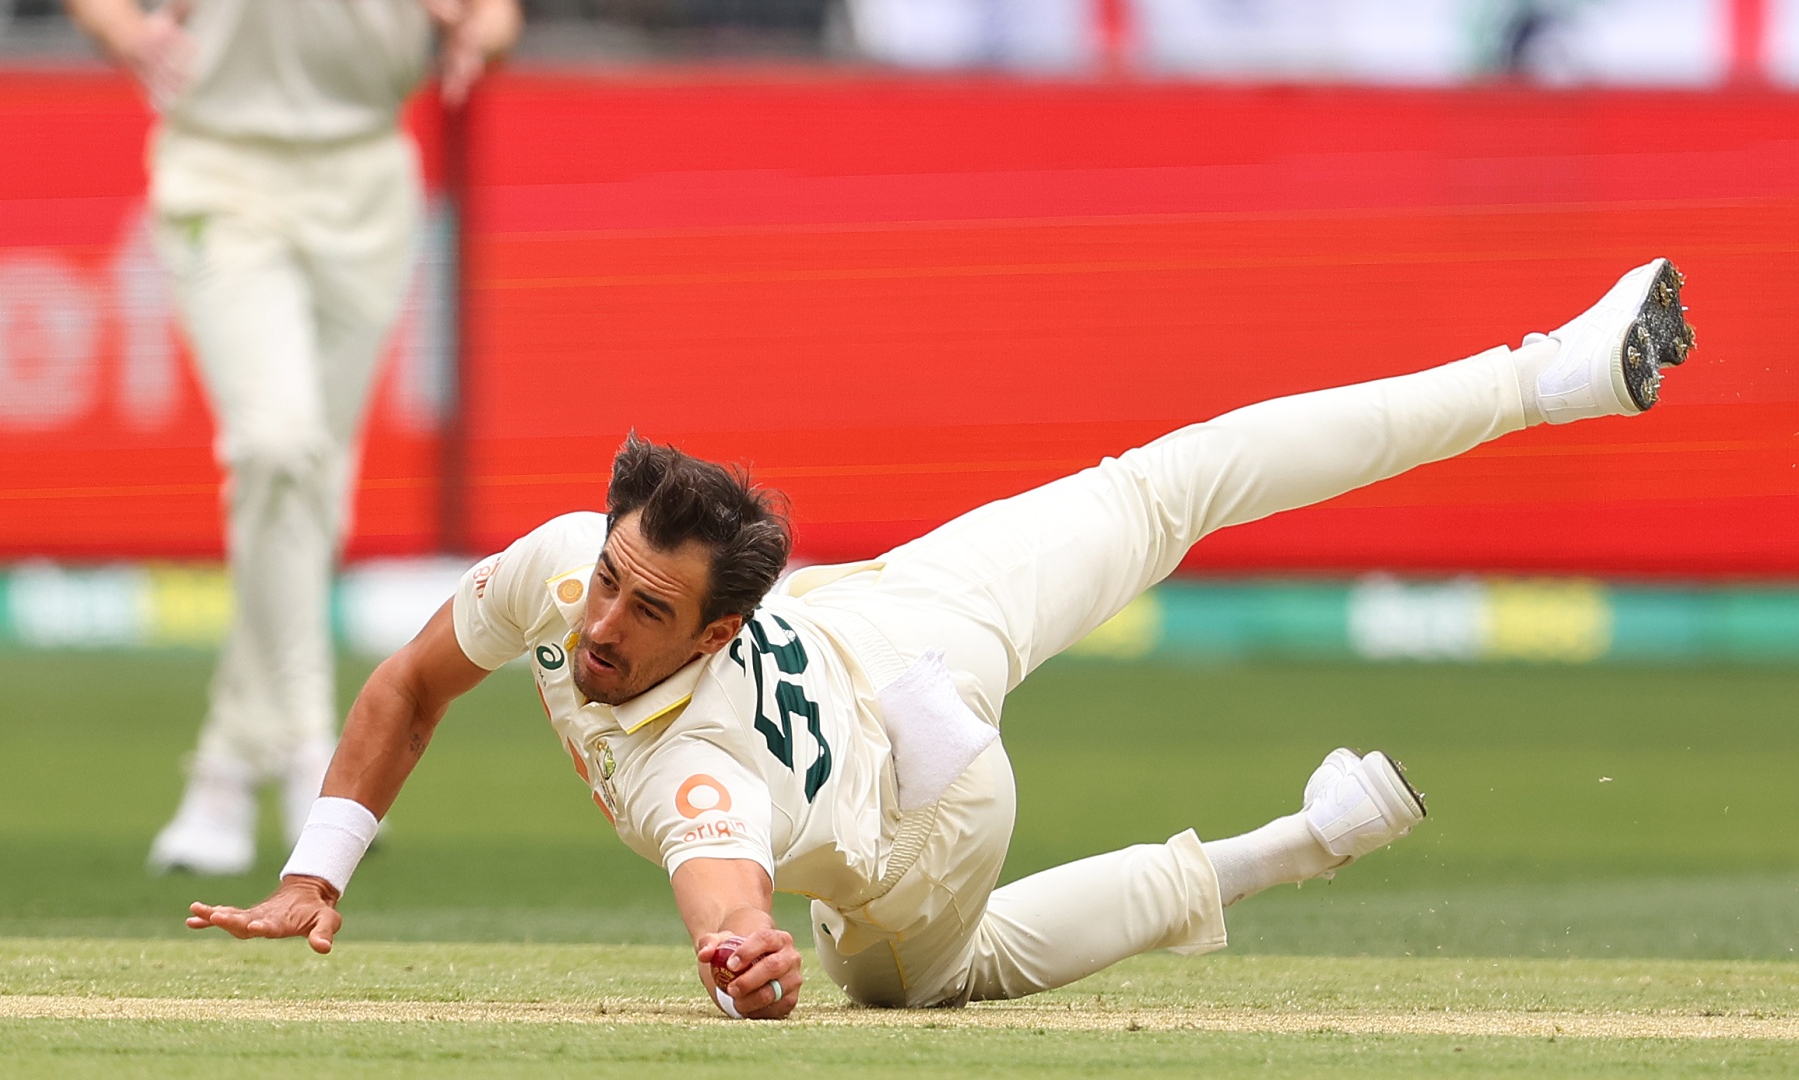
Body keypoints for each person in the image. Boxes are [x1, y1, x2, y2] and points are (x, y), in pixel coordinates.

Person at [187, 261, 1694, 1015]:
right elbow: (408, 684)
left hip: (914, 722)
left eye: (649, 614)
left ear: (722, 628)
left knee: (919, 980)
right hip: (912, 703)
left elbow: (717, 874)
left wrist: (741, 956)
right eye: (609, 584)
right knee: (1156, 500)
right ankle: (1539, 382)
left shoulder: (693, 768)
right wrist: (313, 872)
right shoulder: (563, 562)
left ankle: (1551, 382)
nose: (598, 626)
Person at [63, 0, 522, 875]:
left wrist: (477, 34)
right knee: (275, 446)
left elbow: (495, 16)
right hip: (219, 164)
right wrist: (123, 30)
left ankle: (224, 772)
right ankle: (316, 748)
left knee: (310, 483)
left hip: (366, 176)